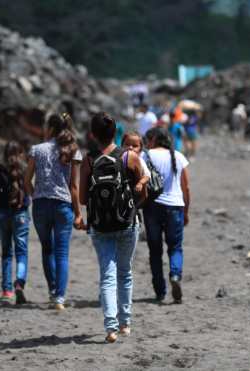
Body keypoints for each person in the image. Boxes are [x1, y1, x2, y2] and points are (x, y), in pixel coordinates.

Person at [80, 112, 146, 343]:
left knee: (107, 275)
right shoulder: (129, 157)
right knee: (125, 272)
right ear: (116, 132)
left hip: (99, 225)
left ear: (92, 135)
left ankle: (110, 328)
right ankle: (125, 323)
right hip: (127, 222)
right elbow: (142, 194)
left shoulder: (88, 160)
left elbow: (82, 197)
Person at [24, 113, 84, 311]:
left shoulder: (37, 149)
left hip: (41, 204)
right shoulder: (72, 150)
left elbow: (26, 181)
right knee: (62, 253)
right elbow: (74, 187)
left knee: (46, 249)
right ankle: (59, 297)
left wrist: (35, 196)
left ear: (49, 128)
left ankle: (52, 291)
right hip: (63, 205)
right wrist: (78, 213)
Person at [142, 127, 190, 304]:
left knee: (155, 251)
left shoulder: (146, 156)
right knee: (175, 247)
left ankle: (160, 291)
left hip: (153, 206)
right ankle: (175, 274)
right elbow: (186, 187)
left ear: (153, 139)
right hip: (175, 205)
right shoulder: (177, 155)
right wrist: (186, 211)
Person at [0, 141, 31, 305]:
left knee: (6, 253)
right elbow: (31, 192)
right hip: (21, 216)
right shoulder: (25, 171)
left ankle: (6, 291)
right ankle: (19, 283)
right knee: (22, 253)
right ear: (21, 154)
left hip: (2, 215)